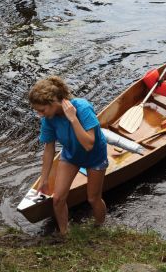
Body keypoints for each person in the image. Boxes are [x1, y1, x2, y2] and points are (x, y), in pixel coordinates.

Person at [29, 76, 108, 236]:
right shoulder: (48, 119)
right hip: (71, 154)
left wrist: (72, 118)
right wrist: (43, 179)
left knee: (93, 198)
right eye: (37, 111)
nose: (40, 114)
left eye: (42, 110)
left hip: (95, 157)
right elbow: (49, 149)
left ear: (54, 102)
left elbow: (88, 144)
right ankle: (65, 234)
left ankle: (100, 228)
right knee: (57, 198)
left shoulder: (83, 108)